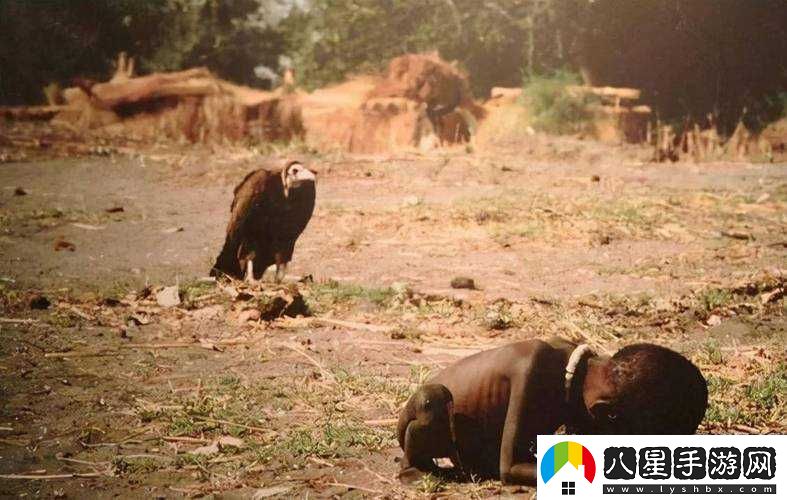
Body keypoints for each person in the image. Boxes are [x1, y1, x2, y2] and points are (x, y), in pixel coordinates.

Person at [396, 338, 708, 485]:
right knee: (431, 403)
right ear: (603, 414)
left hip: (480, 440)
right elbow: (511, 468)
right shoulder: (537, 368)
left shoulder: (587, 374)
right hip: (436, 421)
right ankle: (413, 465)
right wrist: (599, 477)